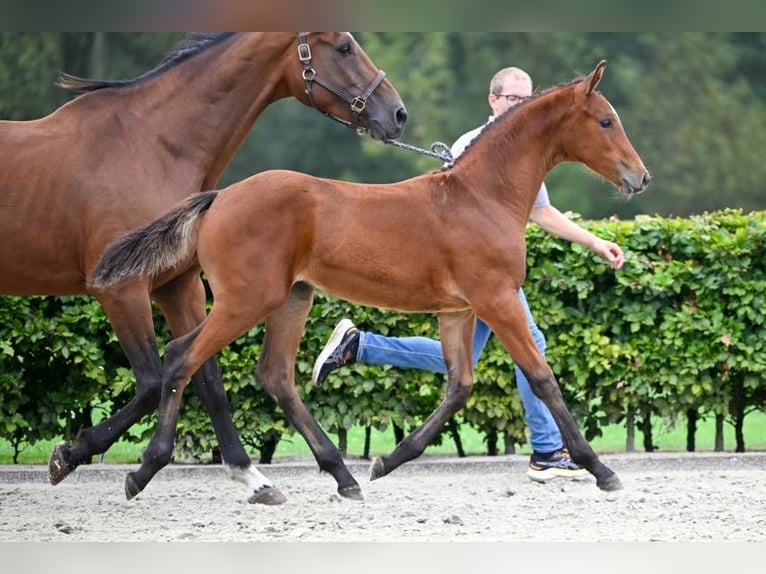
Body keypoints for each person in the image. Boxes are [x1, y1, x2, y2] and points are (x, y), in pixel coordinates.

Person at [312, 66, 625, 483]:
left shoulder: (528, 149)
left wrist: (592, 241)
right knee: (530, 343)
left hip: (487, 267)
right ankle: (549, 450)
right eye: (514, 98)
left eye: (527, 98)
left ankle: (360, 344)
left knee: (466, 362)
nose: (522, 105)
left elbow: (541, 212)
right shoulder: (474, 144)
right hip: (477, 267)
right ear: (493, 100)